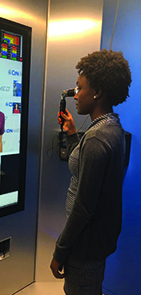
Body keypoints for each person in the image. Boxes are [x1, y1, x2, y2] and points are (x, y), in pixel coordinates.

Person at [50, 49, 132, 295]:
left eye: (80, 87)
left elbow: (84, 207)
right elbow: (87, 167)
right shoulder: (111, 128)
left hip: (84, 245)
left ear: (97, 92)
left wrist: (60, 251)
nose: (75, 94)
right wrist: (74, 134)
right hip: (95, 242)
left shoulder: (97, 138)